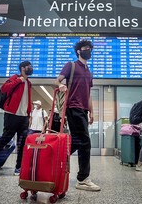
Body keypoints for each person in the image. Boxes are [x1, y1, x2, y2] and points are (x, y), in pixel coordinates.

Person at [55, 40, 100, 191]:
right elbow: (57, 80)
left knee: (79, 141)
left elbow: (89, 94)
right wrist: (61, 85)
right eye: (86, 48)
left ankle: (57, 156)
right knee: (85, 141)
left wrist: (92, 111)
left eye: (90, 48)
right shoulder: (71, 65)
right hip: (73, 107)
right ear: (79, 51)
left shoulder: (89, 72)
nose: (89, 50)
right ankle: (82, 179)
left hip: (83, 110)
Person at [0, 61, 33, 175]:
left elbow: (27, 100)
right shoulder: (15, 77)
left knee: (22, 143)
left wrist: (29, 114)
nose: (31, 68)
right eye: (29, 66)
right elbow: (5, 88)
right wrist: (19, 80)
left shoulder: (29, 83)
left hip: (23, 116)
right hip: (11, 115)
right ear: (23, 68)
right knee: (5, 138)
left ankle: (19, 167)